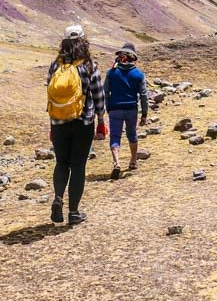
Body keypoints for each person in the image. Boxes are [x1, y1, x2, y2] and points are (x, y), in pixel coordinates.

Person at [45, 25, 106, 226]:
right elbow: (98, 95)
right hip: (83, 122)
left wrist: (52, 124)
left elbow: (50, 94)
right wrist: (101, 122)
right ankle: (73, 212)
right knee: (78, 165)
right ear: (83, 41)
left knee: (61, 162)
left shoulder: (55, 66)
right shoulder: (89, 66)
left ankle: (58, 198)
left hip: (58, 123)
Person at [103, 42, 149, 179]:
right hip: (131, 109)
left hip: (115, 109)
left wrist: (108, 107)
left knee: (115, 136)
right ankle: (133, 161)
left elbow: (106, 91)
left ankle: (117, 163)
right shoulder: (138, 75)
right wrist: (144, 114)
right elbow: (143, 95)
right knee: (132, 134)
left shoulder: (111, 73)